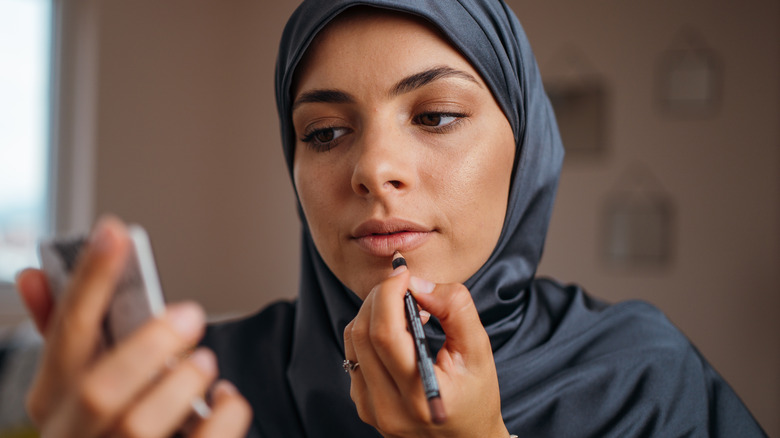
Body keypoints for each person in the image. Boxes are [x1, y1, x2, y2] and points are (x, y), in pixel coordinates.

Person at [15, 0, 767, 437]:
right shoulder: (198, 391)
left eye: (435, 116)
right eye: (325, 133)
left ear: (526, 148)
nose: (373, 169)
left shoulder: (644, 383)